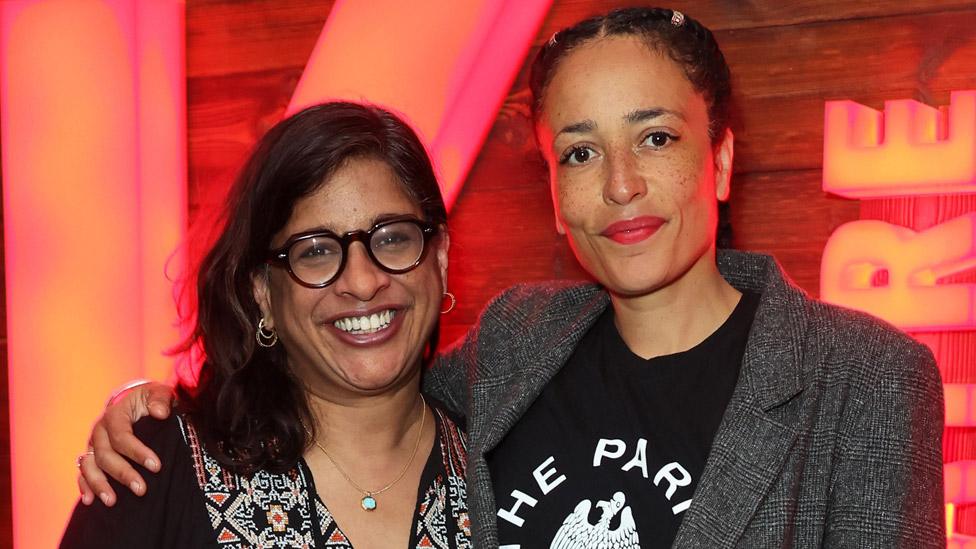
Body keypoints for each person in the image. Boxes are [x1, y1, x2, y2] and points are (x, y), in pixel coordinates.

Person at [77, 7, 945, 548]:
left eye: (655, 137)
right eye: (579, 150)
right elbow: (335, 378)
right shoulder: (516, 343)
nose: (620, 184)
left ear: (719, 159)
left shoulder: (862, 380)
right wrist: (144, 399)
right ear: (555, 195)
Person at [62, 102, 471, 548]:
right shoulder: (153, 464)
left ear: (441, 258)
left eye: (392, 238)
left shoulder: (506, 463)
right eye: (315, 250)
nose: (363, 281)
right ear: (263, 292)